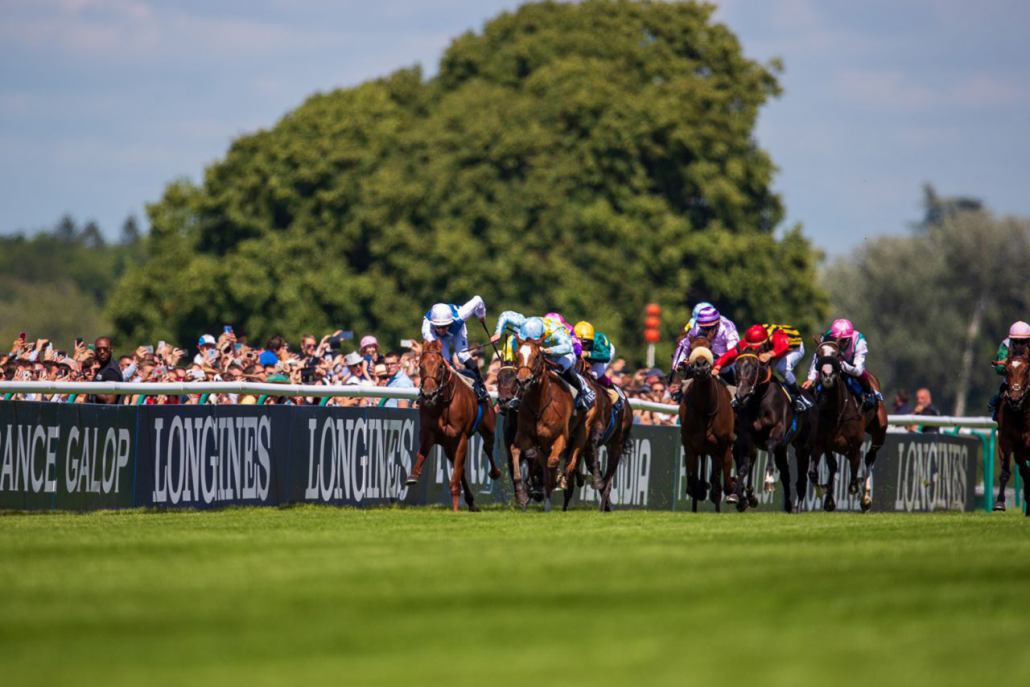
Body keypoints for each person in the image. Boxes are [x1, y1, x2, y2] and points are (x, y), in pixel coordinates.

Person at [492, 312, 595, 411]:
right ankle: (516, 395)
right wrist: (498, 332)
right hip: (538, 352)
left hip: (561, 352)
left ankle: (583, 390)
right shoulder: (523, 321)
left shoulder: (557, 330)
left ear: (541, 335)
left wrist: (547, 351)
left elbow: (567, 348)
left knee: (563, 366)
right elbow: (505, 316)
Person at [714, 323, 812, 411]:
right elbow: (730, 354)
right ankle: (742, 395)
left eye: (756, 348)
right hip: (774, 349)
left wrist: (770, 354)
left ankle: (798, 396)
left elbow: (783, 346)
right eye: (751, 347)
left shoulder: (776, 336)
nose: (754, 350)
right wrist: (717, 366)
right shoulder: (747, 342)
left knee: (781, 368)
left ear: (764, 342)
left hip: (792, 348)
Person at [421, 295, 490, 403]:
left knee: (463, 355)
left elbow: (478, 299)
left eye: (445, 326)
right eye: (438, 327)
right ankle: (428, 391)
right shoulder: (428, 330)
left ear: (451, 322)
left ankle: (481, 387)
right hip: (438, 338)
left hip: (457, 330)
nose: (441, 330)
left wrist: (481, 315)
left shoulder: (460, 316)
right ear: (432, 324)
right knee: (444, 359)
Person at [803, 318, 881, 410]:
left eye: (843, 341)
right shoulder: (828, 338)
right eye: (836, 339)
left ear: (849, 339)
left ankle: (868, 393)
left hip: (852, 364)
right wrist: (811, 378)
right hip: (835, 362)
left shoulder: (859, 342)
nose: (839, 343)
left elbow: (858, 371)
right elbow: (817, 358)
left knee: (861, 374)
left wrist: (841, 365)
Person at [670, 303, 739, 396]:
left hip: (725, 365)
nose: (706, 331)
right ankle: (680, 395)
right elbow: (683, 346)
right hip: (702, 363)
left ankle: (737, 399)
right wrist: (677, 365)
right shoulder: (697, 327)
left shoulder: (727, 326)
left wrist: (718, 363)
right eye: (704, 328)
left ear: (718, 323)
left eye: (710, 328)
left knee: (734, 376)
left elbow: (734, 351)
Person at [573, 321, 616, 389]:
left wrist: (588, 354)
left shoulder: (597, 341)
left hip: (605, 352)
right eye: (580, 342)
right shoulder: (571, 339)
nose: (583, 346)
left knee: (595, 374)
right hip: (593, 352)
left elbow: (606, 356)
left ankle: (614, 389)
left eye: (586, 343)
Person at [88, 336, 122, 404]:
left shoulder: (111, 371)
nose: (102, 352)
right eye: (98, 349)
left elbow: (109, 400)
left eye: (105, 349)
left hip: (107, 413)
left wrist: (91, 387)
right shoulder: (102, 367)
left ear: (111, 349)